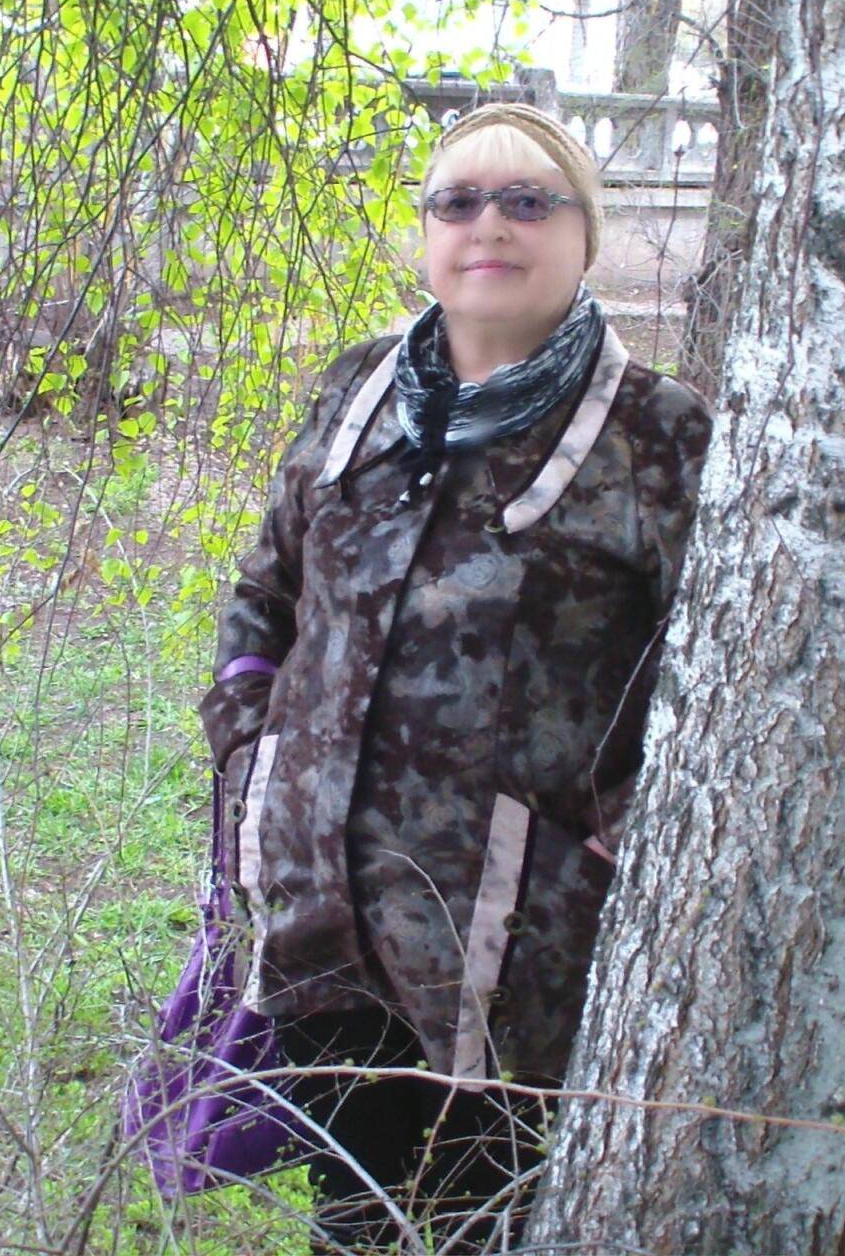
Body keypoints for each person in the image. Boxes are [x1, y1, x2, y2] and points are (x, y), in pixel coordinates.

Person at [199, 102, 712, 1253]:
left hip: (516, 954)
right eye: (458, 201)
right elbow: (265, 588)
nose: (490, 224)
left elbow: (708, 695)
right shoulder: (359, 389)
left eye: (527, 200)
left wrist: (609, 856)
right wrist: (250, 750)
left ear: (584, 234)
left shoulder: (658, 436)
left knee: (490, 1226)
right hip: (320, 920)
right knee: (351, 1222)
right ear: (427, 232)